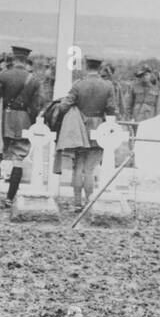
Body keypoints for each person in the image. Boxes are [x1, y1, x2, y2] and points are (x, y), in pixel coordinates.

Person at [0, 45, 41, 207]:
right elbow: (36, 106)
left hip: (3, 120)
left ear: (13, 59)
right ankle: (9, 199)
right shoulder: (33, 79)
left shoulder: (4, 75)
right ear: (26, 60)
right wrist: (31, 122)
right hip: (23, 121)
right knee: (18, 159)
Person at [57, 56, 118, 210]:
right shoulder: (108, 86)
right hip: (100, 129)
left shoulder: (79, 84)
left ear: (86, 66)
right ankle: (90, 202)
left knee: (78, 167)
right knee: (90, 169)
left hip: (80, 129)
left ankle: (77, 203)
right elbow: (112, 110)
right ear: (100, 68)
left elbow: (63, 107)